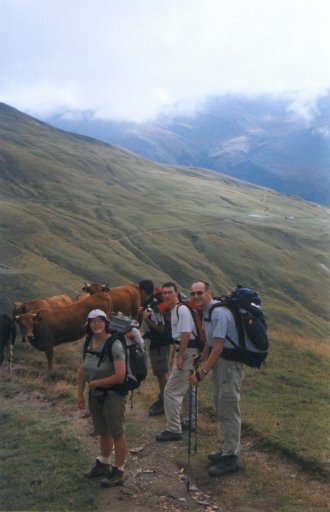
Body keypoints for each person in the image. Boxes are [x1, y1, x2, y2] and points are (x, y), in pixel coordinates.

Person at [189, 280, 243, 476]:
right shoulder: (207, 312)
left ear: (208, 292)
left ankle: (231, 457)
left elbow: (219, 346)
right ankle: (228, 450)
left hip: (229, 365)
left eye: (199, 293)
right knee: (221, 406)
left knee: (229, 407)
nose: (196, 297)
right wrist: (201, 357)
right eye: (193, 293)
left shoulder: (218, 313)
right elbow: (210, 343)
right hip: (220, 364)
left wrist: (202, 373)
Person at [77, 309, 127, 488]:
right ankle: (104, 464)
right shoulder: (89, 342)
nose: (96, 324)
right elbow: (83, 369)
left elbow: (121, 375)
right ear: (89, 325)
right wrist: (79, 393)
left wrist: (97, 382)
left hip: (112, 395)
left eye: (100, 320)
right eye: (92, 321)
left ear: (106, 323)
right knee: (103, 430)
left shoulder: (114, 344)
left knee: (117, 432)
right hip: (95, 394)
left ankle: (119, 471)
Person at [156, 282, 198, 441]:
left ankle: (174, 429)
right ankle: (190, 421)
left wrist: (180, 356)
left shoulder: (181, 310)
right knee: (187, 389)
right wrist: (174, 354)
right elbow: (179, 336)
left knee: (170, 391)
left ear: (177, 293)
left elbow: (186, 334)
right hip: (185, 350)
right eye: (164, 293)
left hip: (187, 352)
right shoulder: (175, 310)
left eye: (169, 292)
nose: (166, 296)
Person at [138, 279, 171, 416]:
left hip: (159, 344)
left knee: (161, 374)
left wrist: (146, 319)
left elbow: (161, 329)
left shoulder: (153, 306)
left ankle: (165, 402)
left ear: (143, 291)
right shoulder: (149, 304)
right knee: (160, 373)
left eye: (139, 290)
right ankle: (163, 398)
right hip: (157, 344)